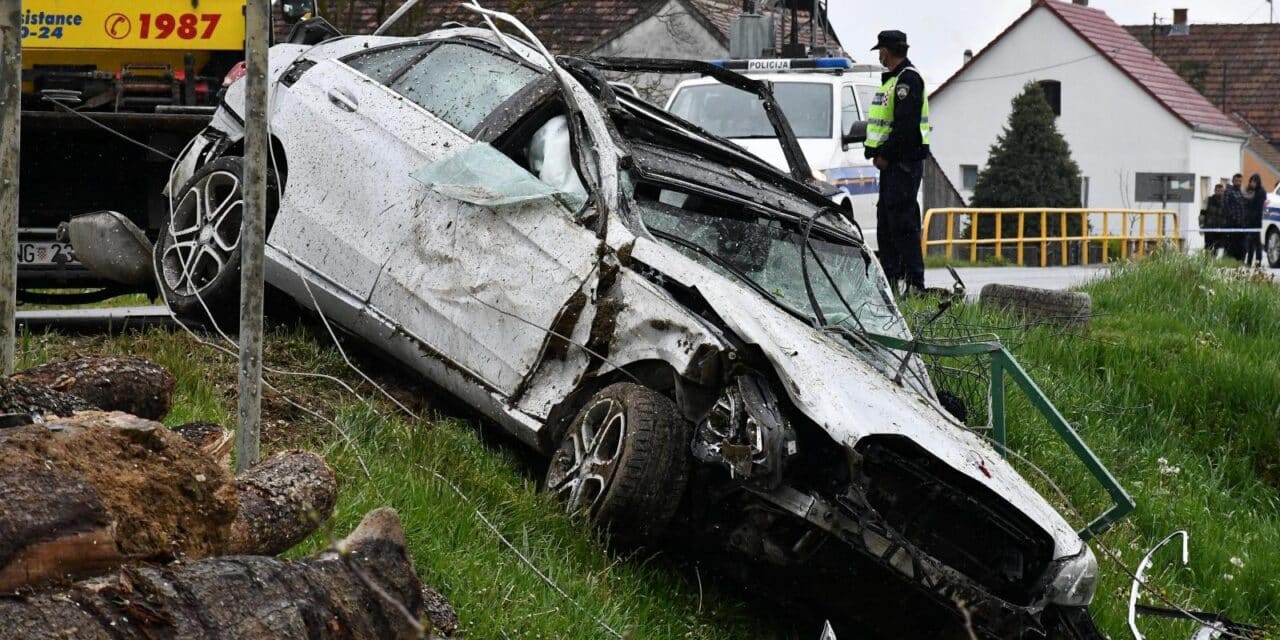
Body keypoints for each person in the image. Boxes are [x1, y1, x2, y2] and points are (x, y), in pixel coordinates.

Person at [864, 29, 930, 296]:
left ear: (887, 51)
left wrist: (885, 155)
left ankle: (914, 283)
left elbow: (905, 128)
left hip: (901, 165)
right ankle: (891, 282)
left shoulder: (907, 81)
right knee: (888, 226)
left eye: (880, 50)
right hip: (893, 167)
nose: (879, 55)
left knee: (903, 225)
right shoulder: (894, 81)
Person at [1222, 173, 1248, 261]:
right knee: (1231, 247)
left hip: (1241, 225)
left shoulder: (1241, 192)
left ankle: (1240, 262)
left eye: (1240, 181)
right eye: (1237, 181)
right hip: (1231, 225)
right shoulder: (1228, 192)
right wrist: (1232, 217)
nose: (1238, 183)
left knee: (1242, 247)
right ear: (1233, 181)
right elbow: (1225, 206)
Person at [1243, 173, 1266, 267]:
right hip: (1249, 221)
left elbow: (1258, 208)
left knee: (1257, 242)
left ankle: (1258, 261)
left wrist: (1253, 218)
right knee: (1249, 242)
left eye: (1254, 182)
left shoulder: (1261, 192)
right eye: (1251, 181)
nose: (1252, 183)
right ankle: (1249, 261)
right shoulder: (1251, 191)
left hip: (1256, 221)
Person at [1199, 182, 1225, 255]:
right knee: (1208, 247)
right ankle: (1207, 262)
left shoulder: (1225, 202)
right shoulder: (1208, 200)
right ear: (1215, 191)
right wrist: (1201, 226)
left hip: (1220, 228)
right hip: (1209, 228)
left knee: (1218, 247)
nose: (1219, 193)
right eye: (1218, 191)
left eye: (1221, 191)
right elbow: (1202, 214)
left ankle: (1214, 262)